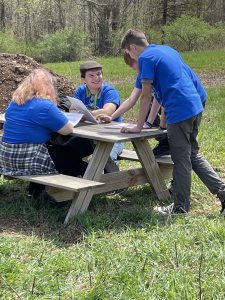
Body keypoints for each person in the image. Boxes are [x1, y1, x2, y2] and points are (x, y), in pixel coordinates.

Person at [118, 28, 225, 215]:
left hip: (180, 110)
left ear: (131, 47)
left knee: (181, 159)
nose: (131, 57)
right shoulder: (166, 49)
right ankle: (223, 193)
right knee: (192, 154)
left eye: (128, 53)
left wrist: (138, 126)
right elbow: (180, 80)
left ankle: (180, 207)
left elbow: (146, 95)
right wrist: (151, 122)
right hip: (195, 105)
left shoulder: (145, 59)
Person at [0, 68, 88, 200]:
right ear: (48, 86)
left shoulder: (15, 103)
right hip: (31, 161)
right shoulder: (44, 105)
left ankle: (35, 190)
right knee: (75, 153)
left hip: (7, 159)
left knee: (61, 153)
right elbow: (68, 130)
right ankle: (60, 193)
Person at [60, 61, 124, 167]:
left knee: (106, 159)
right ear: (83, 79)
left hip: (113, 137)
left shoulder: (110, 91)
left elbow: (107, 111)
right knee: (66, 152)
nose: (96, 78)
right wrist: (91, 113)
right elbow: (72, 110)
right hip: (88, 137)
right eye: (91, 75)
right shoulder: (80, 91)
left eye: (99, 74)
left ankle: (115, 182)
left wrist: (85, 113)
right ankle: (78, 176)